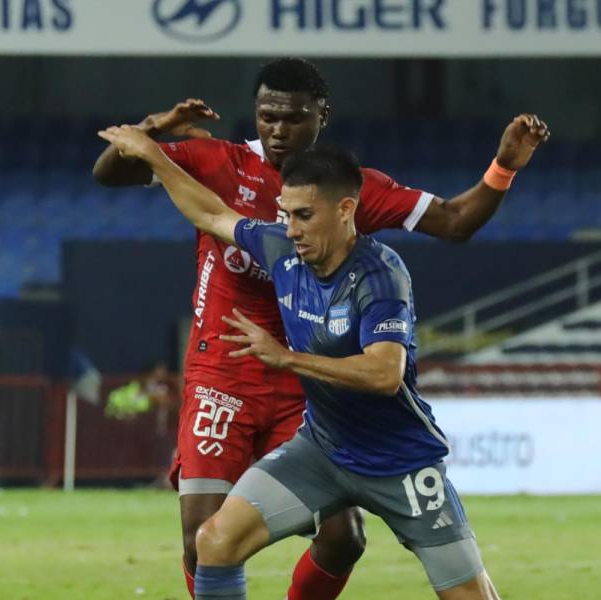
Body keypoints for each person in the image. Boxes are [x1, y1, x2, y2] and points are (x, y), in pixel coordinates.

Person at [93, 57, 548, 599]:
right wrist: (151, 134)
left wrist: (501, 168)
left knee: (344, 538)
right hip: (227, 373)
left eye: (293, 119)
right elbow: (179, 201)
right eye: (267, 117)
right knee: (206, 540)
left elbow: (454, 223)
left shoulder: (367, 241)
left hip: (317, 388)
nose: (278, 130)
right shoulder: (232, 176)